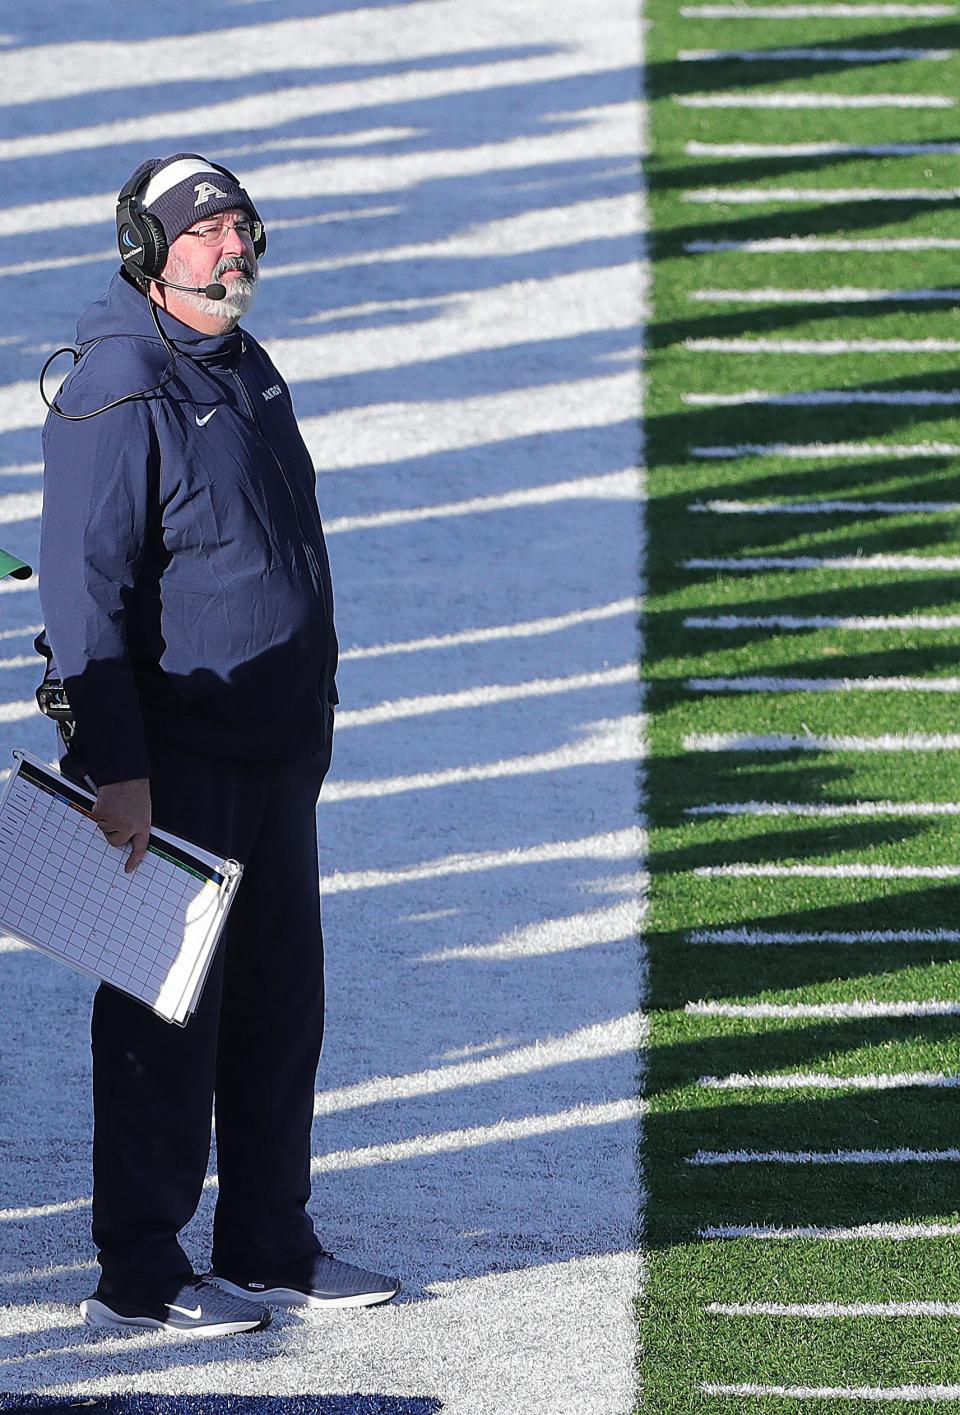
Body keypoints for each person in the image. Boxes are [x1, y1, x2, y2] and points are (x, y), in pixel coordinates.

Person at [37, 153, 400, 1336]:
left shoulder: (244, 363)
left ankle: (268, 1241)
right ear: (148, 252)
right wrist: (120, 767)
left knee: (280, 1005)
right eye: (203, 232)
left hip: (273, 747)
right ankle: (137, 1271)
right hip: (178, 757)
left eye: (240, 227)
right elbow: (85, 596)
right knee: (161, 1021)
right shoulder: (119, 383)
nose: (230, 248)